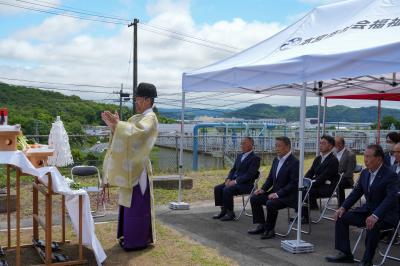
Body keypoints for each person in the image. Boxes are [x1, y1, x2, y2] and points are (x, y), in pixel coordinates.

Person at [102, 82, 159, 251]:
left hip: (139, 168)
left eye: (139, 99)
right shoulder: (137, 118)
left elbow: (136, 134)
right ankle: (128, 236)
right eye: (136, 99)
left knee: (137, 204)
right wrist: (115, 127)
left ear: (148, 100)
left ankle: (137, 240)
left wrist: (118, 126)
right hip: (131, 166)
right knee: (128, 202)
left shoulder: (150, 118)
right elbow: (127, 133)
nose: (136, 102)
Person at [325, 144, 399, 266]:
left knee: (372, 225)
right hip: (368, 211)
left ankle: (367, 260)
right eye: (364, 156)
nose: (365, 159)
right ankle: (345, 254)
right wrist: (342, 207)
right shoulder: (365, 173)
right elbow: (355, 193)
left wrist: (375, 216)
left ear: (379, 159)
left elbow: (390, 199)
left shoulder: (390, 175)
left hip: (386, 214)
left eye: (368, 157)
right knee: (341, 217)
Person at [247, 136, 299, 239]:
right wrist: (262, 189)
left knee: (271, 203)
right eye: (276, 146)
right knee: (255, 198)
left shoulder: (294, 162)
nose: (276, 148)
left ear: (288, 147)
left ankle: (270, 229)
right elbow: (270, 178)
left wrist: (278, 194)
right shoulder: (276, 159)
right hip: (274, 192)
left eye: (279, 146)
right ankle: (261, 225)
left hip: (288, 196)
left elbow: (293, 184)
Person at [213, 137, 261, 221]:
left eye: (244, 143)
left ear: (251, 145)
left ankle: (230, 213)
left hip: (246, 185)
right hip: (234, 182)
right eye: (241, 143)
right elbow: (233, 169)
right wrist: (228, 178)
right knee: (218, 188)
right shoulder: (239, 156)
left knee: (227, 189)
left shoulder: (255, 158)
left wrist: (235, 181)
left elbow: (250, 175)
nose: (241, 145)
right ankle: (223, 210)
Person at [302, 135, 339, 222]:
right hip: (317, 185)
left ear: (330, 146)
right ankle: (300, 213)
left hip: (327, 187)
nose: (320, 145)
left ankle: (304, 216)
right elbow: (311, 171)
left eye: (323, 143)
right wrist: (303, 181)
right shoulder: (318, 158)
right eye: (320, 143)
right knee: (300, 188)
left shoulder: (333, 160)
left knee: (305, 191)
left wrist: (309, 184)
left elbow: (324, 177)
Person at [335, 136, 357, 206]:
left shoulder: (350, 155)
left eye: (334, 144)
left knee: (338, 184)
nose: (332, 146)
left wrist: (337, 178)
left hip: (347, 179)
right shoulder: (333, 154)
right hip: (335, 178)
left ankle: (342, 206)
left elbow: (349, 173)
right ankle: (313, 205)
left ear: (340, 144)